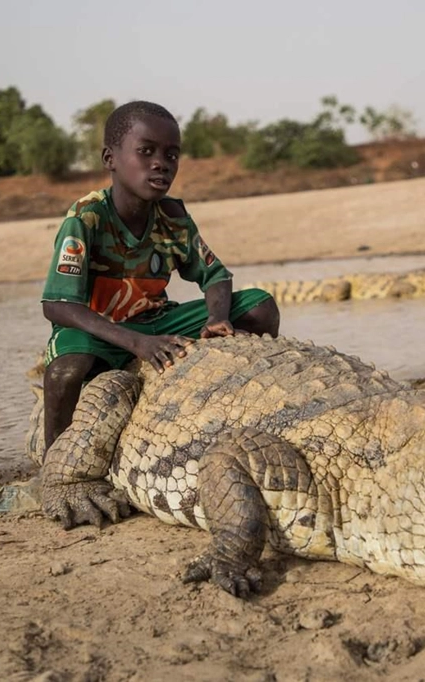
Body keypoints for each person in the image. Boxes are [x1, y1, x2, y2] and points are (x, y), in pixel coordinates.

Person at [40, 100, 280, 451]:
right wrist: (136, 343)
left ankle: (233, 411)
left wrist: (217, 318)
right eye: (146, 151)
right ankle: (54, 460)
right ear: (111, 159)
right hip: (100, 329)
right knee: (66, 371)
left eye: (171, 155)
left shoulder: (173, 215)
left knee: (261, 306)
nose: (161, 164)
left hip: (157, 320)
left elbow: (215, 275)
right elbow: (58, 306)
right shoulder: (86, 217)